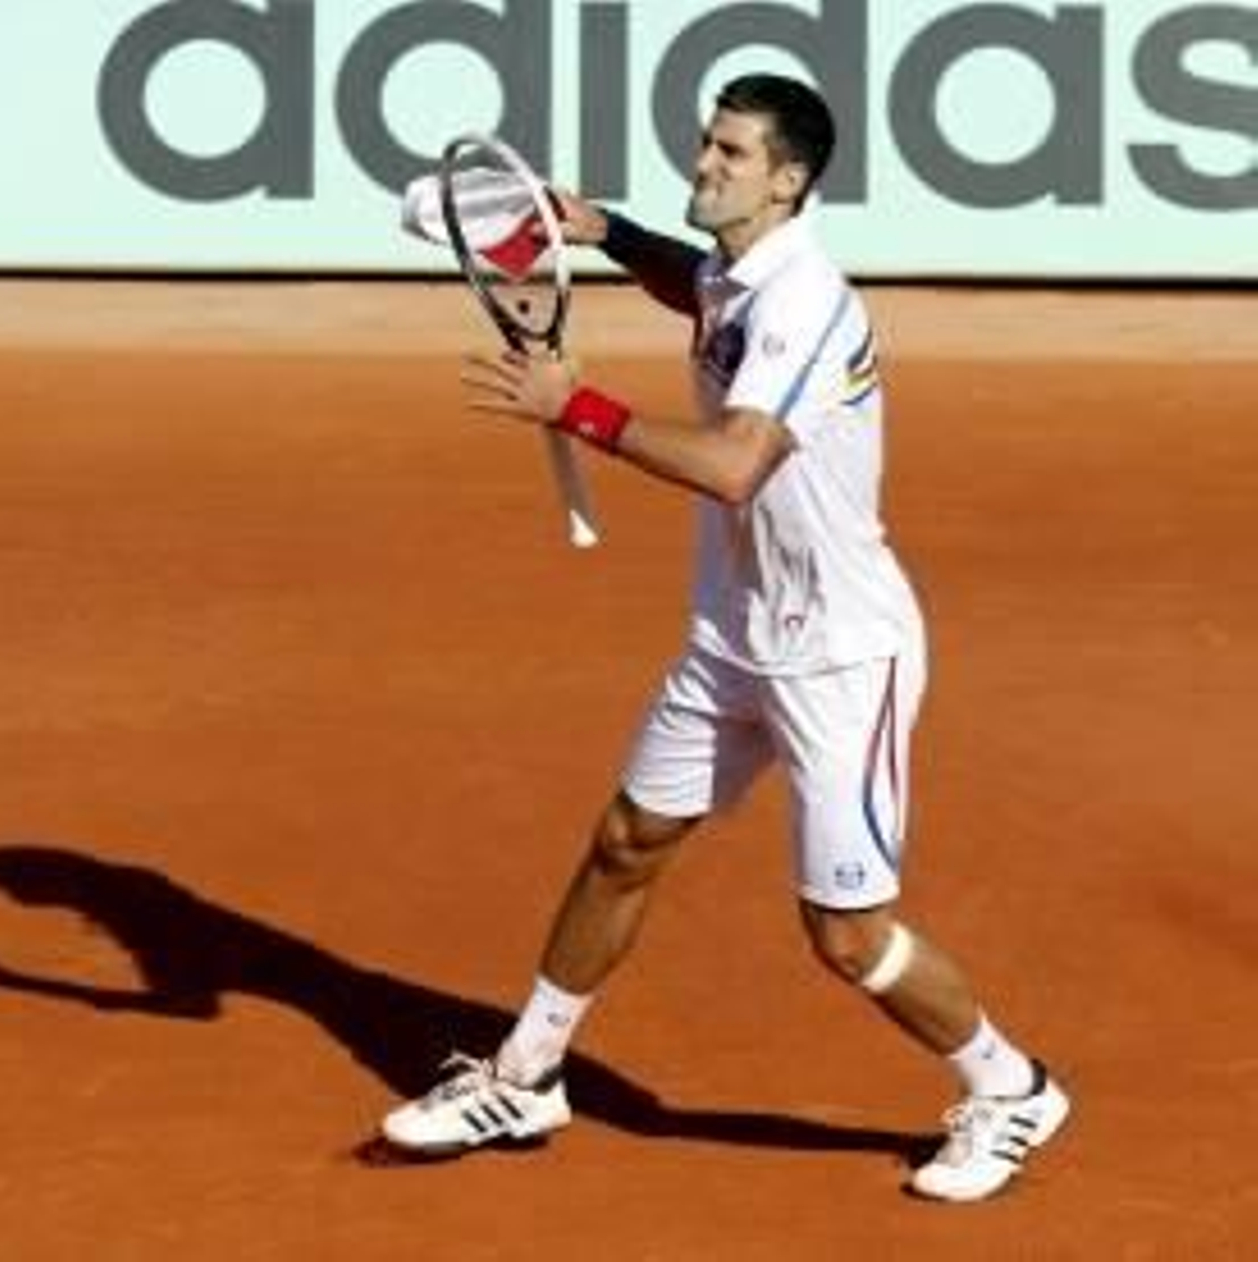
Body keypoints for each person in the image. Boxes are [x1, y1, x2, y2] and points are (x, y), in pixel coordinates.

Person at [379, 73, 1070, 1203]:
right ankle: (528, 1071)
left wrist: (578, 408)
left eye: (731, 153)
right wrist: (602, 229)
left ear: (788, 180)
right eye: (705, 142)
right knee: (627, 840)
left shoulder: (805, 300)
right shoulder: (738, 268)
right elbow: (690, 285)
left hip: (839, 655)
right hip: (733, 637)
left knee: (846, 935)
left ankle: (1012, 1087)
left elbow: (735, 460)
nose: (704, 162)